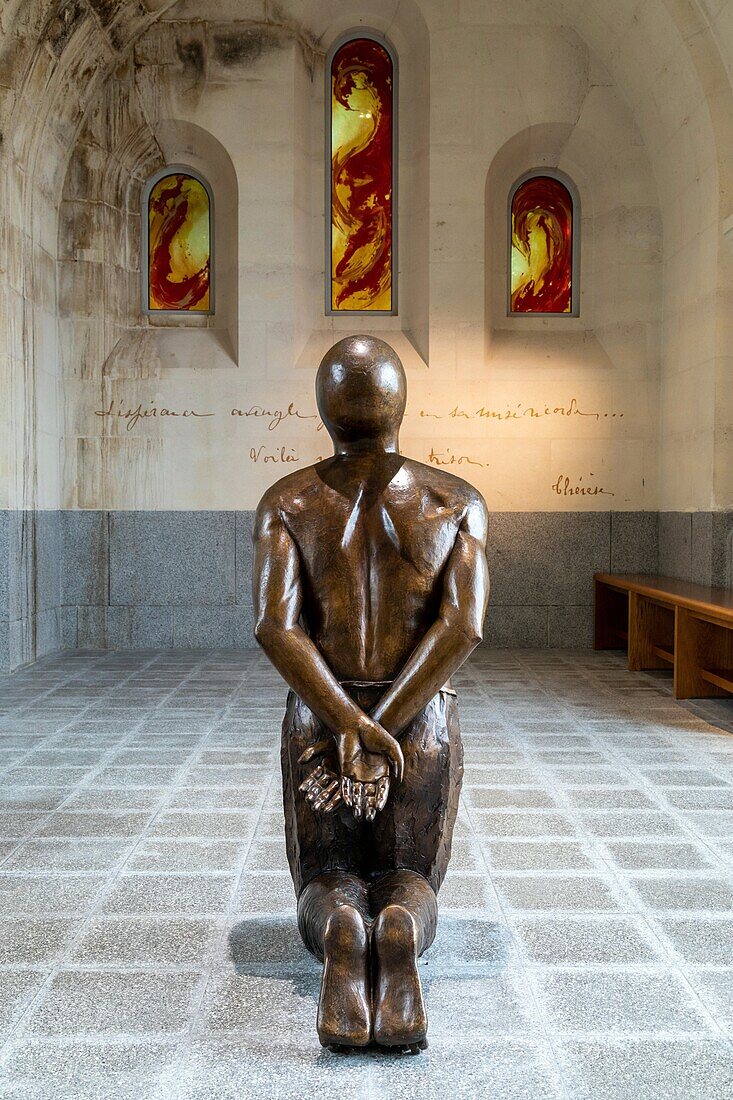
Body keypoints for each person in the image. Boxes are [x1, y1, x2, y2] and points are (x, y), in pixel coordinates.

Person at [253, 335, 489, 1051]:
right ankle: (398, 931)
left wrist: (346, 723)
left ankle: (340, 931)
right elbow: (463, 625)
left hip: (320, 714)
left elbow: (274, 623)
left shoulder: (287, 500)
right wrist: (383, 724)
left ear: (324, 407)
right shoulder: (456, 500)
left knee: (325, 871)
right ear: (398, 405)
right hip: (417, 721)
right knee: (409, 873)